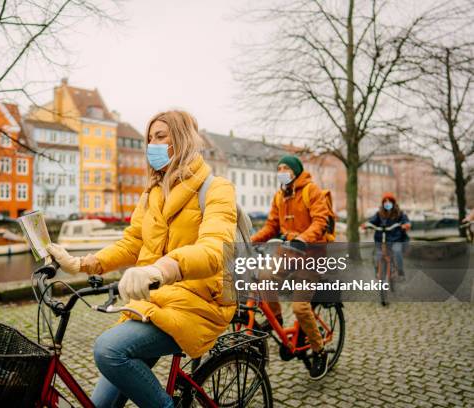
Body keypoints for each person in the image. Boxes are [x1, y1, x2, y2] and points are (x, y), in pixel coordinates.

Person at [47, 110, 237, 408]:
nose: (153, 145)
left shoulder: (217, 188)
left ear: (183, 139)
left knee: (109, 349)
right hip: (153, 305)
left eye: (161, 136)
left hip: (198, 304)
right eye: (150, 139)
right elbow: (131, 243)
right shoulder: (151, 194)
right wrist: (80, 263)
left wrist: (162, 269)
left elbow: (215, 249)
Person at [251, 154, 333, 380]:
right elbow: (271, 226)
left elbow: (320, 221)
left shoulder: (311, 190)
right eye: (279, 168)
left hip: (311, 254)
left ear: (296, 170)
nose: (282, 171)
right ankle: (276, 319)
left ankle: (319, 350)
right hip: (287, 252)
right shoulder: (279, 195)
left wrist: (304, 238)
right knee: (264, 275)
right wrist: (251, 241)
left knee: (300, 307)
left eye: (286, 167)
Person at [366, 192, 411, 280]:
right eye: (385, 201)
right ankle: (378, 271)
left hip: (396, 239)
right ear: (383, 203)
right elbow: (372, 221)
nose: (387, 203)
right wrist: (366, 224)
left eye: (389, 201)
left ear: (393, 203)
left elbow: (406, 221)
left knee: (397, 251)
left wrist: (406, 225)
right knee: (377, 255)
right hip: (381, 239)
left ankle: (400, 272)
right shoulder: (379, 214)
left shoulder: (399, 213)